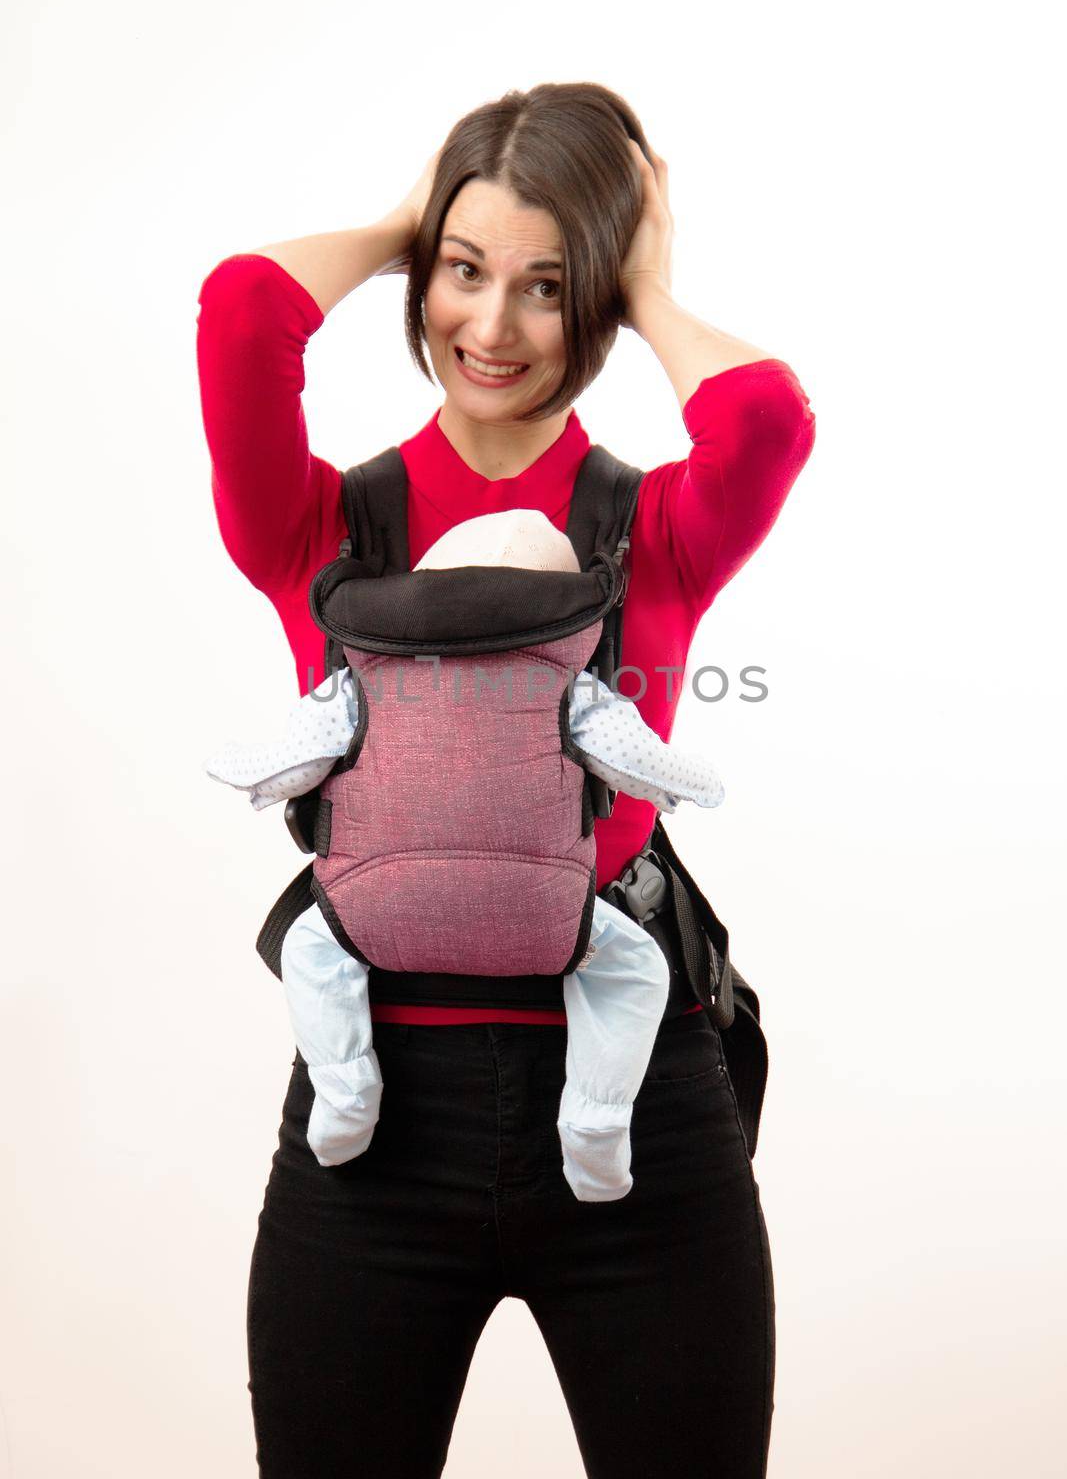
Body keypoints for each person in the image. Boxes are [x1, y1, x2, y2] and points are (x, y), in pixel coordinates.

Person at [196, 81, 815, 1478]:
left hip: (638, 1125)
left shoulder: (649, 529)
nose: (490, 328)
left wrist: (643, 284)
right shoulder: (320, 523)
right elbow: (241, 312)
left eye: (547, 289)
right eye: (462, 275)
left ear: (590, 301)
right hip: (370, 1141)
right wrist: (405, 224)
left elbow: (766, 421)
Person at [203, 507, 726, 1200]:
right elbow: (642, 766)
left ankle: (345, 1090)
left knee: (307, 949)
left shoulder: (361, 677)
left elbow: (289, 765)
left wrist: (240, 771)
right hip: (544, 916)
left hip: (367, 907)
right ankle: (596, 1123)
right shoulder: (566, 685)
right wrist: (698, 785)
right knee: (633, 968)